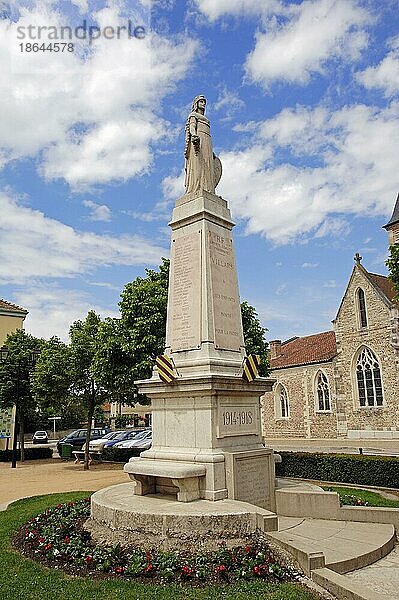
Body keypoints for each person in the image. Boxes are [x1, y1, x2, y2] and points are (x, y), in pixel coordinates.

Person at [184, 95, 222, 194]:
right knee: (198, 163)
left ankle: (208, 188)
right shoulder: (193, 115)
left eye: (204, 102)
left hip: (207, 141)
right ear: (196, 103)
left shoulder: (206, 119)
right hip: (199, 140)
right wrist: (194, 135)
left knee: (208, 164)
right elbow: (192, 127)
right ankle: (197, 186)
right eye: (201, 101)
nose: (204, 104)